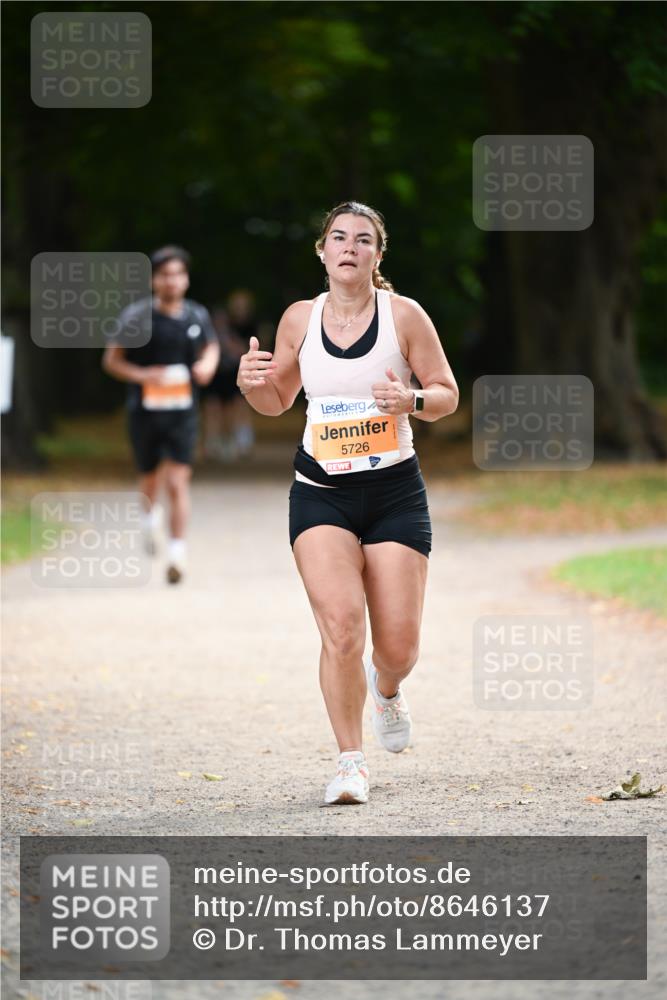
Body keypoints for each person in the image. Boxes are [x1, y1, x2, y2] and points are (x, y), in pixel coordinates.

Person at [236, 202, 459, 805]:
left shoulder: (404, 316)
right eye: (339, 237)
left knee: (398, 647)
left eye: (363, 240)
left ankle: (386, 689)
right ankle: (350, 763)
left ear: (377, 256)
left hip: (393, 493)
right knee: (340, 631)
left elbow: (447, 394)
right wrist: (252, 385)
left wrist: (409, 401)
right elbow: (278, 400)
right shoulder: (299, 319)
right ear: (322, 250)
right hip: (321, 493)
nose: (349, 247)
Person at [102, 246, 219, 584]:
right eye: (165, 274)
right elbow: (111, 361)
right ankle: (148, 520)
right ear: (154, 279)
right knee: (150, 479)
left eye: (178, 274)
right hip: (144, 412)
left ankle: (177, 554)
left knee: (178, 481)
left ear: (186, 279)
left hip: (183, 412)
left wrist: (207, 365)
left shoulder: (196, 315)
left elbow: (210, 347)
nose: (172, 280)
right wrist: (143, 376)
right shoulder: (136, 317)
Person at [202, 290, 259, 461]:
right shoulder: (216, 329)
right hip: (217, 373)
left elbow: (244, 350)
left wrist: (227, 340)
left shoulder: (250, 326)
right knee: (213, 408)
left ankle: (242, 443)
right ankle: (212, 444)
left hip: (236, 371)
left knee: (239, 407)